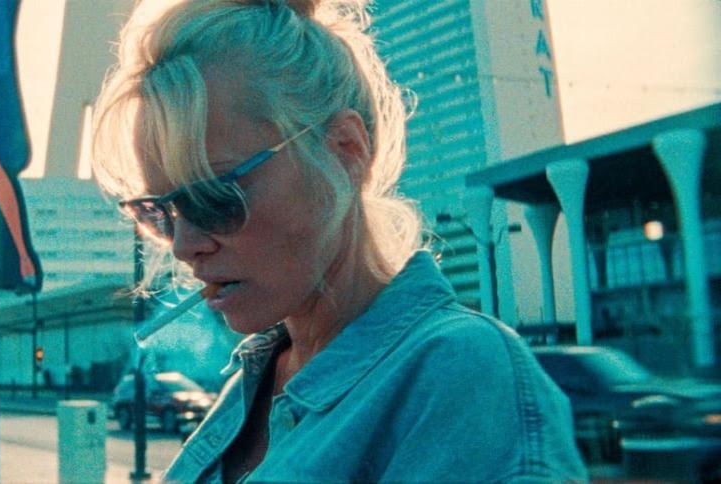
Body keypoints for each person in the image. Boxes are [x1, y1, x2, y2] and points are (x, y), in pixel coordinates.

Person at [90, 0, 588, 481]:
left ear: (345, 150)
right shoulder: (255, 381)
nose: (183, 245)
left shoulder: (463, 376)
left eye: (214, 195)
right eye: (158, 212)